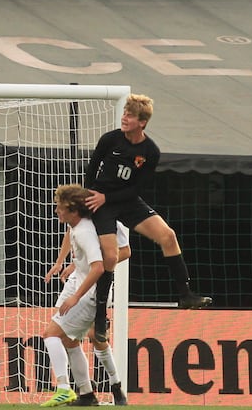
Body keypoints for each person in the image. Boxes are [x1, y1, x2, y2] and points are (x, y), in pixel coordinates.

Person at [84, 93, 211, 342]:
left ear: (142, 122)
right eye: (124, 113)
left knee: (168, 236)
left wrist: (108, 198)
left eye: (129, 115)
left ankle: (185, 294)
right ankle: (100, 317)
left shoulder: (150, 151)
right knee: (111, 256)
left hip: (125, 201)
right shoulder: (110, 140)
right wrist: (92, 194)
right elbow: (91, 167)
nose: (124, 118)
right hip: (102, 202)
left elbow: (137, 189)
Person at [44, 220, 131, 406]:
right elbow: (70, 233)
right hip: (77, 279)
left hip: (96, 281)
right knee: (66, 337)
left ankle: (114, 385)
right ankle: (85, 391)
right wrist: (62, 262)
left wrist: (93, 262)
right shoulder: (82, 214)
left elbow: (125, 251)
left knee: (94, 336)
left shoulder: (113, 219)